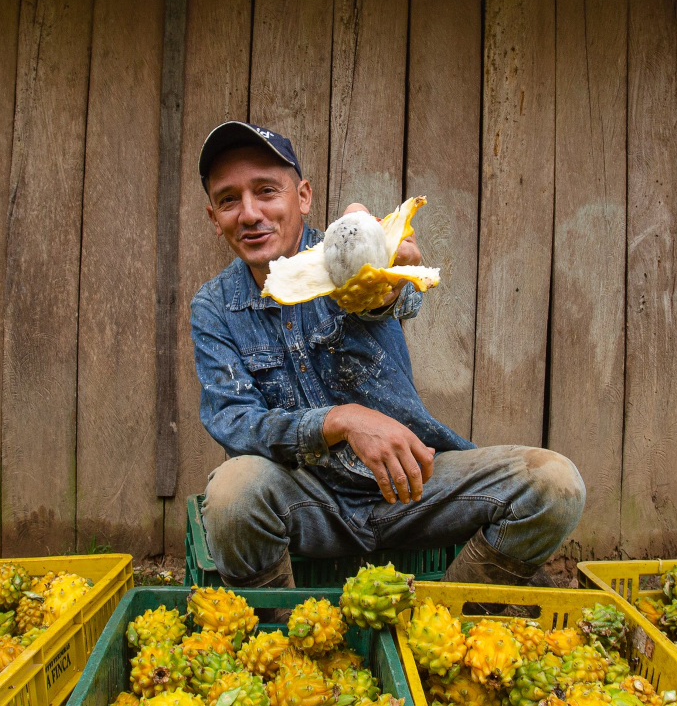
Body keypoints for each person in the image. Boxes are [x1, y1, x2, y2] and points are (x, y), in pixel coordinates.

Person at [190, 120, 585, 588]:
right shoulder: (214, 307)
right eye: (229, 199)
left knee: (555, 485)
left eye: (266, 191)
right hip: (308, 502)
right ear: (215, 218)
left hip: (412, 485)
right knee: (233, 494)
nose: (250, 213)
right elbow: (235, 422)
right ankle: (285, 640)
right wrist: (340, 420)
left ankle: (447, 619)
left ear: (303, 196)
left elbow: (396, 294)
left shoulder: (351, 250)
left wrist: (388, 281)